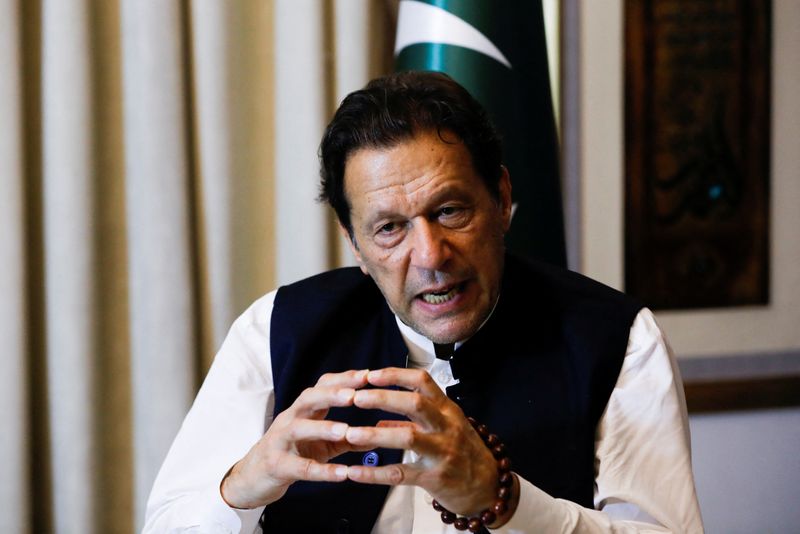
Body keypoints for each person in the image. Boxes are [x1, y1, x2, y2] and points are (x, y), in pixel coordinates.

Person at [144, 71, 703, 533]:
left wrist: (503, 501)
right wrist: (245, 484)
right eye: (389, 228)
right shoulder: (275, 329)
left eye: (451, 211)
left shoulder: (619, 339)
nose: (430, 255)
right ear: (354, 243)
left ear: (502, 199)